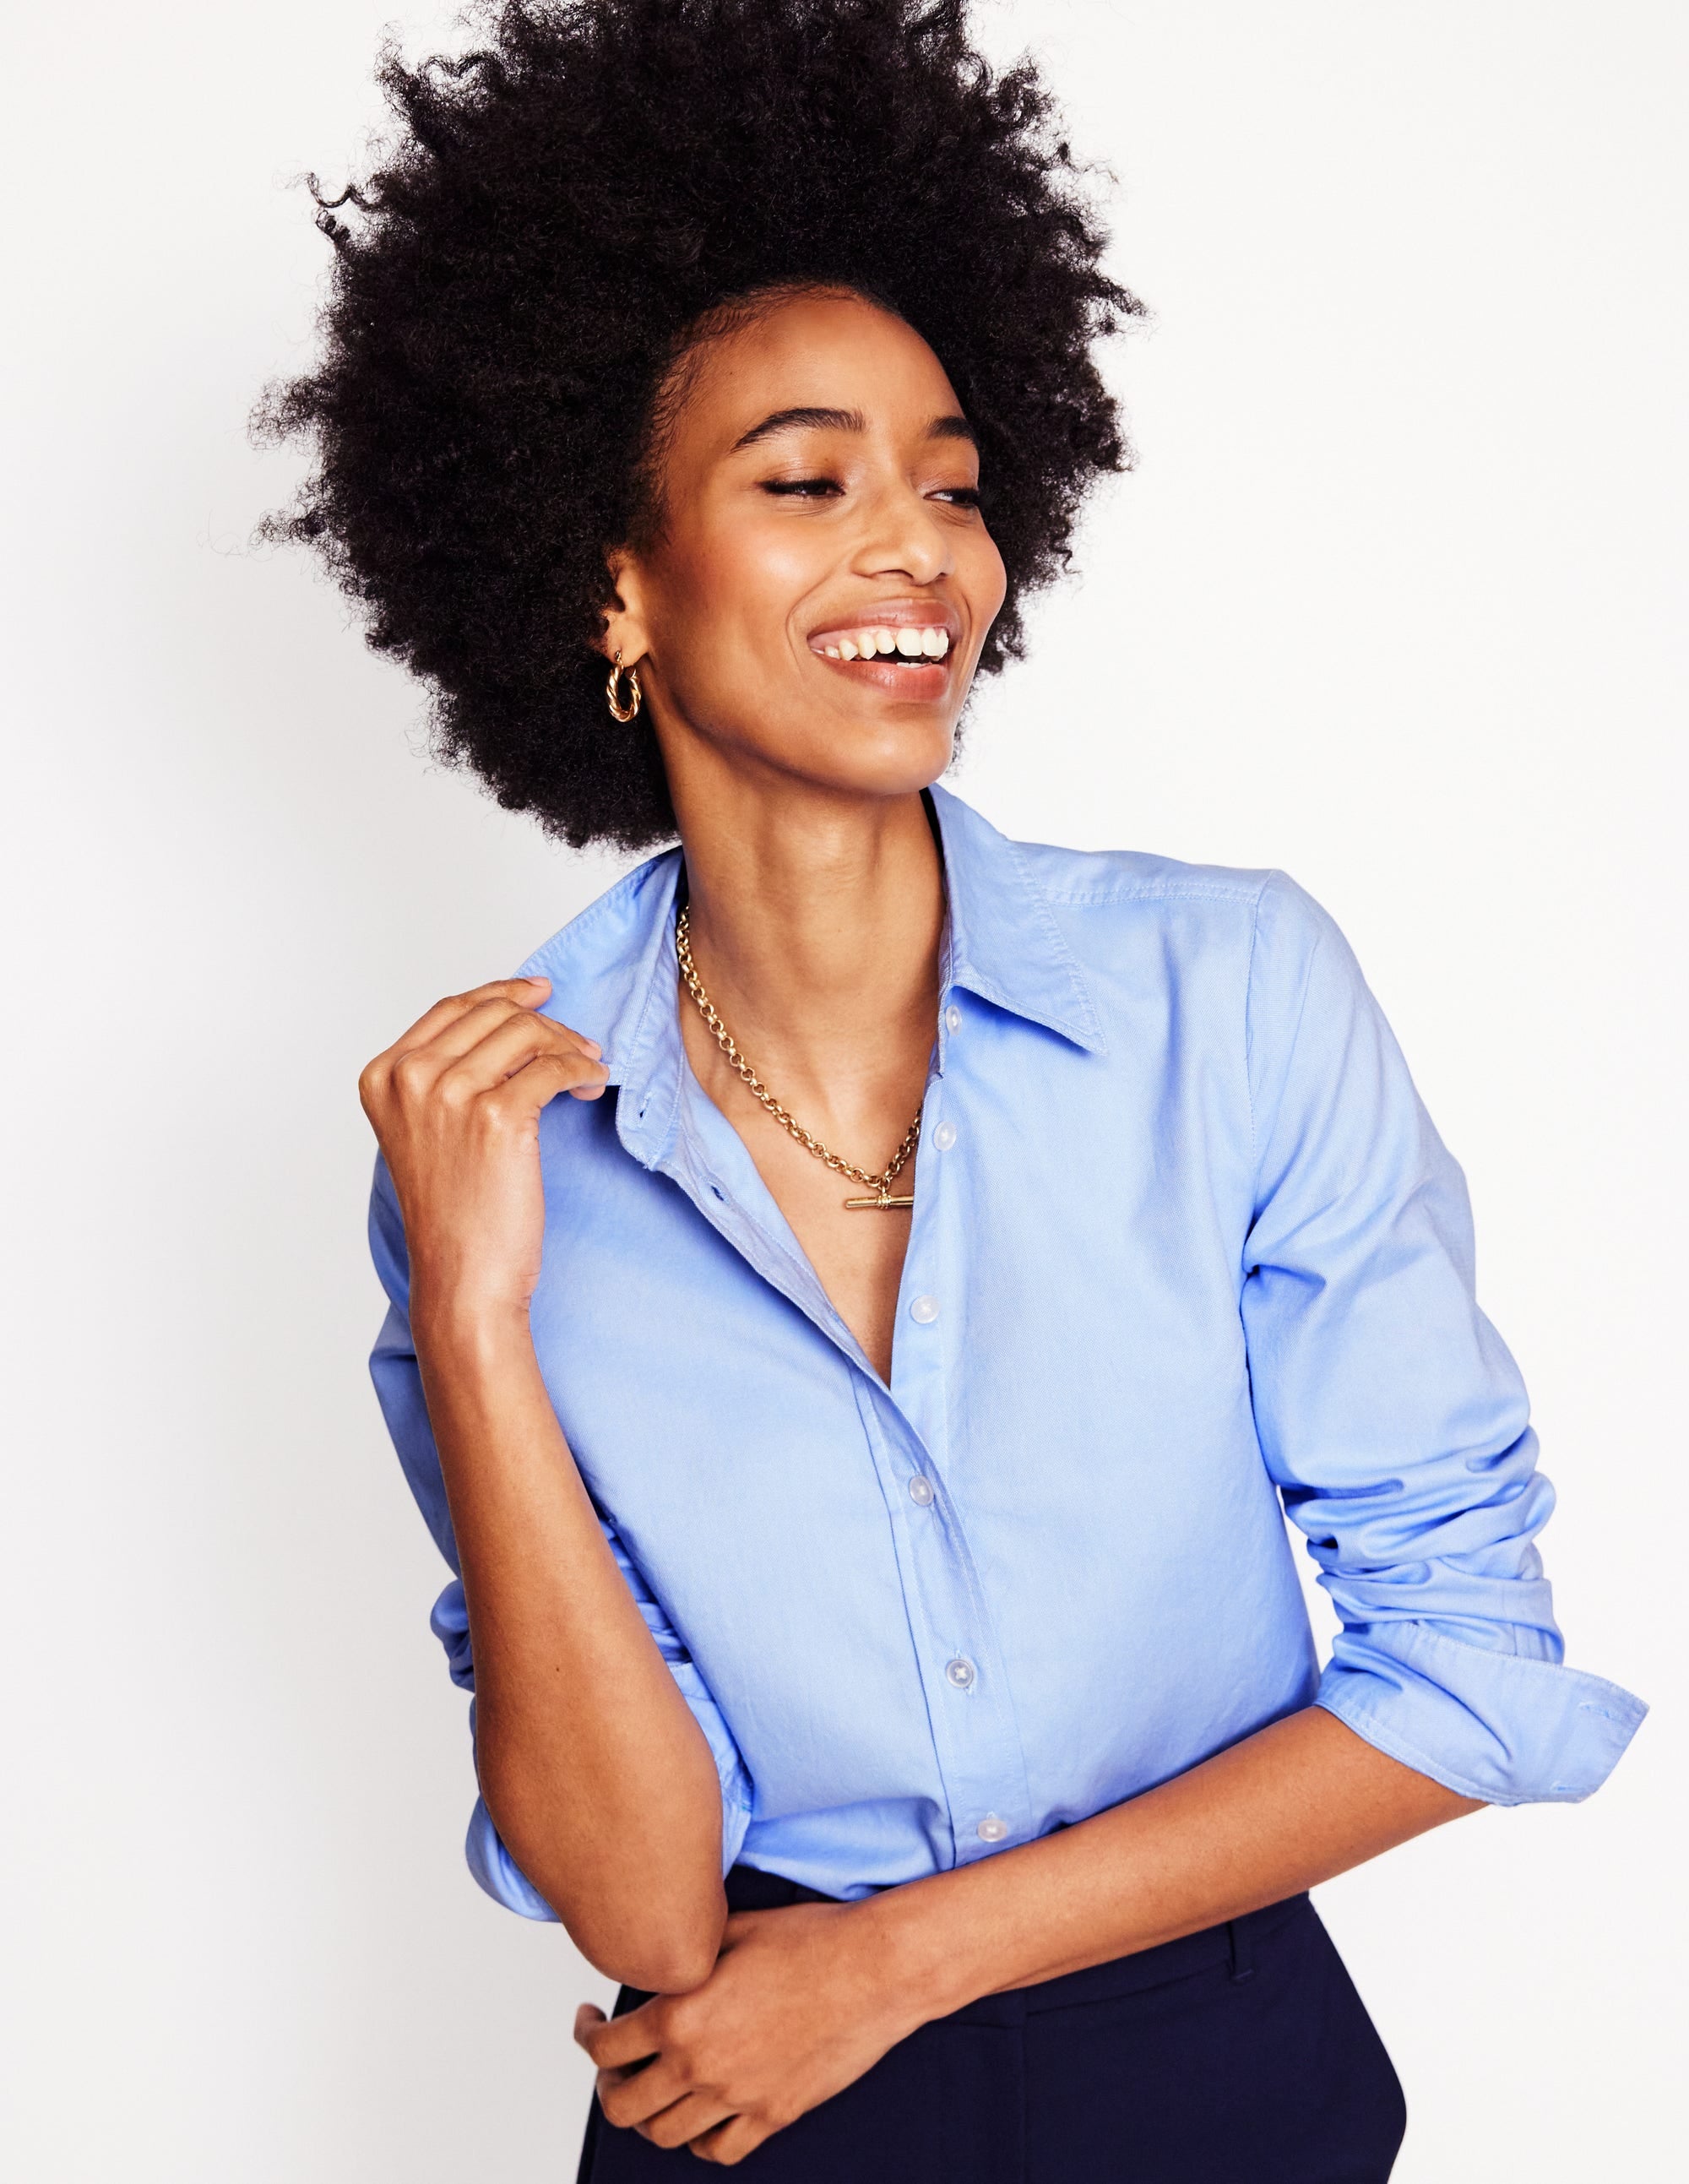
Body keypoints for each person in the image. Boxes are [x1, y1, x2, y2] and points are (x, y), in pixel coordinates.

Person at [258, 2, 1645, 2175]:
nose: (917, 547)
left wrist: (903, 1960)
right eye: (806, 480)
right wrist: (477, 1319)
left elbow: (1465, 1669)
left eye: (953, 483)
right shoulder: (490, 1133)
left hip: (1214, 2073)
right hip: (745, 2107)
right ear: (615, 583)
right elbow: (636, 1901)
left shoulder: (1230, 994)